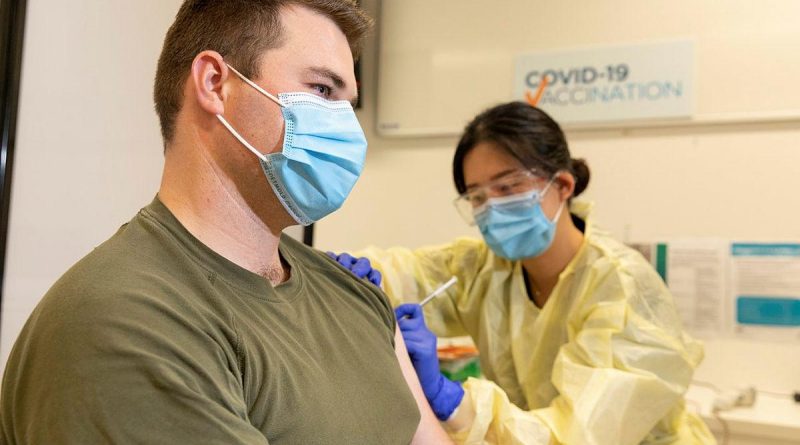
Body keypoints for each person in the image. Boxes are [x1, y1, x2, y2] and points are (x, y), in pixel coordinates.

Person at [0, 1, 452, 444]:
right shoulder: (123, 322)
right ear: (216, 83)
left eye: (346, 105)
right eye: (321, 91)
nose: (346, 128)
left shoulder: (355, 297)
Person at [332, 102, 716, 444]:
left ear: (563, 185)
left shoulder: (623, 290)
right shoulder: (488, 268)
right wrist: (333, 273)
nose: (492, 209)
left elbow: (574, 436)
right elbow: (406, 272)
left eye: (510, 187)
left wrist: (450, 399)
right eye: (478, 197)